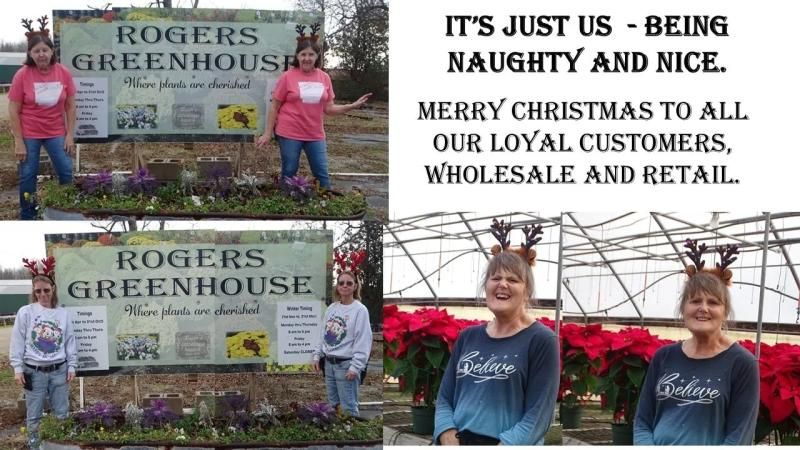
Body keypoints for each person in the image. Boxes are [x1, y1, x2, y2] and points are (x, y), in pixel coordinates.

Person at [434, 221, 560, 445]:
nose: (502, 284)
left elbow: (539, 415)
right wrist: (446, 432)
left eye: (513, 280)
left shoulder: (541, 340)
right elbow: (445, 397)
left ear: (527, 290)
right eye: (495, 278)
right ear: (486, 286)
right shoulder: (468, 336)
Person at [634, 240, 759, 445]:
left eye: (713, 302)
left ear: (725, 311)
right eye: (695, 301)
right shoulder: (664, 356)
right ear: (683, 308)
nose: (703, 308)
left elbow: (739, 436)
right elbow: (642, 421)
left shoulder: (742, 363)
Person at [256, 23, 371, 189]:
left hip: (315, 134)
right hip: (289, 132)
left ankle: (326, 202)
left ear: (317, 56)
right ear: (297, 56)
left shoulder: (324, 77)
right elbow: (275, 106)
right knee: (289, 171)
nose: (307, 58)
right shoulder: (287, 77)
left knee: (321, 174)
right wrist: (267, 133)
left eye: (311, 54)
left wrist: (352, 106)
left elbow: (329, 109)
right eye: (303, 54)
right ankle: (286, 201)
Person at [9, 16, 76, 220]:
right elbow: (13, 109)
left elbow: (70, 105)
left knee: (66, 170)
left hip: (56, 131)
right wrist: (19, 141)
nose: (41, 54)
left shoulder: (63, 72)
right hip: (29, 133)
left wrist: (69, 135)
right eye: (36, 51)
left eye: (45, 50)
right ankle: (28, 215)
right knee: (28, 175)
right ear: (30, 53)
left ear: (52, 51)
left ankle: (66, 210)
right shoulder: (22, 75)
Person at [9, 257, 77, 449]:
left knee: (62, 413)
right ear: (34, 291)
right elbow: (17, 340)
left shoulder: (63, 313)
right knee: (34, 416)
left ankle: (60, 445)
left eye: (46, 290)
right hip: (34, 372)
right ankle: (35, 446)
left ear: (53, 289)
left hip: (59, 371)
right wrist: (17, 368)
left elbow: (69, 340)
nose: (42, 294)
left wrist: (72, 365)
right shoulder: (26, 312)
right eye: (38, 291)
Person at [312, 271, 372, 416]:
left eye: (349, 283)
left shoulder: (360, 310)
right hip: (329, 364)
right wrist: (316, 355)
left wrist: (356, 366)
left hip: (346, 366)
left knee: (348, 408)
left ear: (355, 286)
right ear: (337, 286)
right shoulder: (332, 308)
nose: (345, 286)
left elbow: (363, 339)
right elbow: (322, 333)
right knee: (333, 407)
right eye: (341, 283)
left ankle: (352, 430)